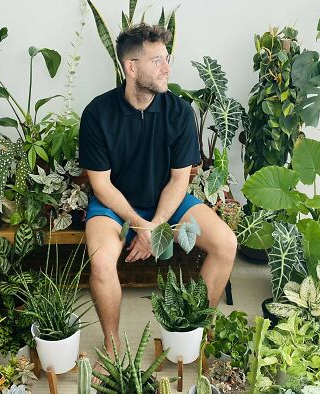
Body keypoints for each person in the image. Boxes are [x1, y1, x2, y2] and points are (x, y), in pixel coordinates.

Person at [78, 23, 237, 359]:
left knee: (226, 243)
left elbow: (179, 181)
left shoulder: (178, 112)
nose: (167, 68)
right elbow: (101, 185)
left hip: (169, 202)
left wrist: (156, 226)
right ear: (131, 67)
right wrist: (139, 223)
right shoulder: (97, 114)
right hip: (114, 207)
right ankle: (112, 343)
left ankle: (196, 328)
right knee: (103, 262)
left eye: (167, 58)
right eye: (157, 61)